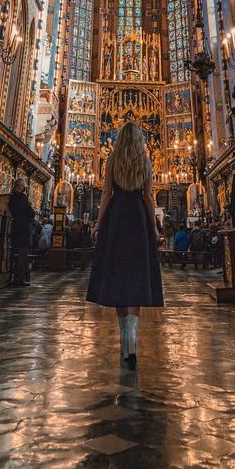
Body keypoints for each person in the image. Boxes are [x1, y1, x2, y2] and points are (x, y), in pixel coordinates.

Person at [86, 121, 163, 369]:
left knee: (118, 273)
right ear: (139, 139)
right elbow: (149, 196)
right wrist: (153, 227)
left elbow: (106, 193)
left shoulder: (112, 159)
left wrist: (98, 224)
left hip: (117, 217)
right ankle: (132, 333)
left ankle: (123, 335)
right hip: (138, 217)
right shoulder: (145, 160)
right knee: (137, 274)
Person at [8, 178, 36, 286]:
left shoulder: (12, 198)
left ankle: (17, 277)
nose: (24, 188)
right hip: (23, 228)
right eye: (23, 186)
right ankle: (19, 278)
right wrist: (30, 211)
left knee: (17, 253)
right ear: (20, 186)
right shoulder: (20, 197)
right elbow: (30, 212)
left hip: (16, 226)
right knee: (22, 254)